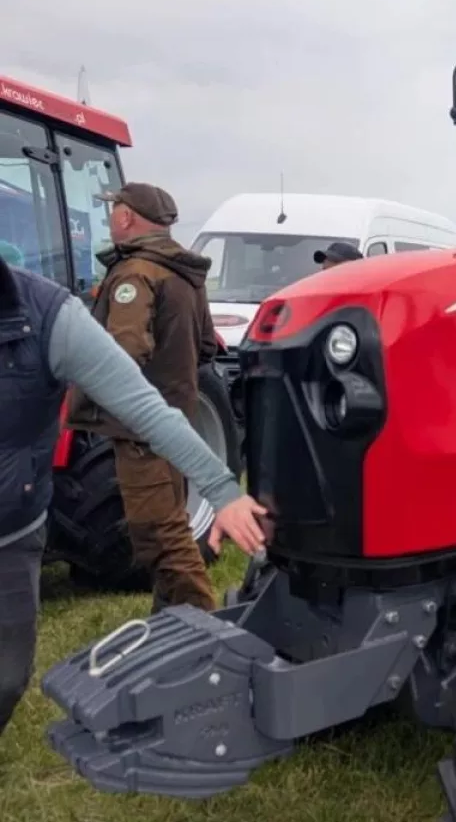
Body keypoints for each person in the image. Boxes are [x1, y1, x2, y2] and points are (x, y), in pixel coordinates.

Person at [0, 257, 267, 737]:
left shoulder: (47, 315)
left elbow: (146, 407)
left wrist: (223, 489)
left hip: (10, 535)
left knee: (5, 677)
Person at [64, 182, 228, 614]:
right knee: (167, 521)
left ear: (126, 218)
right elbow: (206, 348)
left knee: (157, 531)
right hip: (176, 418)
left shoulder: (136, 272)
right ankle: (169, 621)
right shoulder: (184, 271)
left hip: (141, 427)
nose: (111, 218)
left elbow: (122, 355)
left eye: (113, 211)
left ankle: (207, 627)